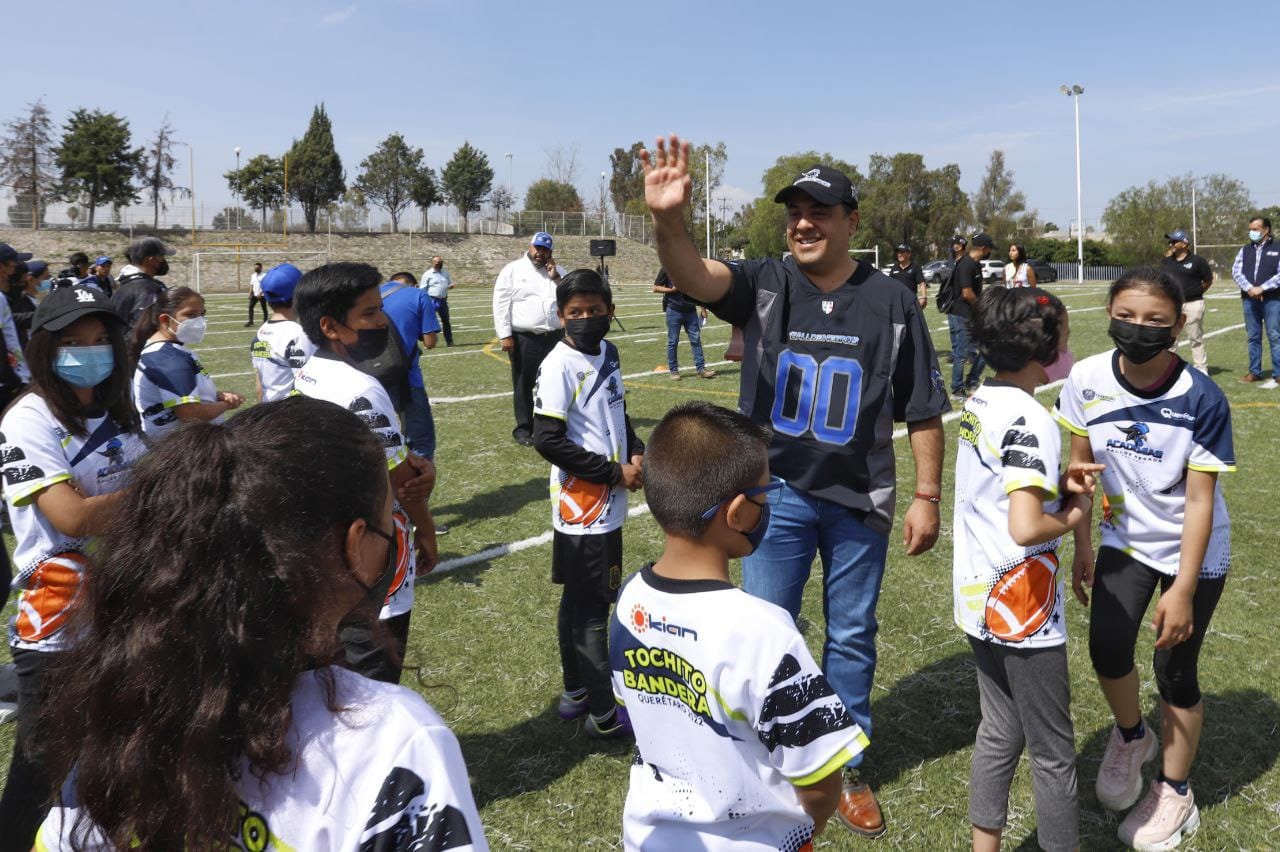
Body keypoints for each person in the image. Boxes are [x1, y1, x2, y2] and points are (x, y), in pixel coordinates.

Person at [642, 136, 949, 838]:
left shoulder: (894, 302)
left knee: (851, 634)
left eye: (820, 211)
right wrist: (667, 221)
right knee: (762, 631)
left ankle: (844, 765)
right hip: (771, 496)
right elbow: (694, 275)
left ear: (852, 221)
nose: (804, 223)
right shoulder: (767, 282)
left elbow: (923, 407)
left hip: (857, 497)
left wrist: (928, 496)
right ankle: (764, 757)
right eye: (795, 213)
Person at [33, 396, 489, 851]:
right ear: (355, 545)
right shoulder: (393, 740)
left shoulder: (124, 703)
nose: (397, 530)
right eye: (390, 515)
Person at [611, 401, 867, 850]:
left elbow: (632, 705)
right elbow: (821, 779)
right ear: (736, 514)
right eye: (764, 496)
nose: (767, 506)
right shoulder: (764, 632)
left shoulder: (628, 599)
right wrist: (810, 823)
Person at [1057, 268, 1234, 851]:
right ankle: (1133, 736)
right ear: (1109, 312)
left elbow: (1201, 501)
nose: (1139, 329)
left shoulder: (1202, 397)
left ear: (1179, 326)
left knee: (1174, 671)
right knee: (1107, 649)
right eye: (1127, 316)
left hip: (1193, 548)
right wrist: (1082, 546)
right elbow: (1081, 469)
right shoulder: (1084, 377)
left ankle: (1175, 792)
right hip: (1125, 540)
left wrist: (1182, 589)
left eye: (1156, 321)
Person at [0, 285, 146, 847]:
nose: (90, 351)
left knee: (111, 749)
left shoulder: (113, 407)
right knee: (40, 768)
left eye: (99, 340)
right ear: (44, 349)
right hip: (57, 618)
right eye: (72, 342)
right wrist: (164, 487)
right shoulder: (29, 418)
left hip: (124, 603)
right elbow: (73, 515)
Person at [956, 288, 1097, 852]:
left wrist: (1053, 488)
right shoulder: (1033, 418)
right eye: (1061, 331)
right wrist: (1073, 513)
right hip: (1024, 610)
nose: (1067, 341)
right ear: (1042, 344)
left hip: (977, 599)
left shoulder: (979, 401)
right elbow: (1024, 526)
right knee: (1054, 752)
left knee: (999, 729)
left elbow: (999, 490)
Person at [295, 262, 438, 684]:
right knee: (371, 683)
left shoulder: (308, 373)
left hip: (324, 553)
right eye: (370, 313)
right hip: (371, 560)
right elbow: (402, 484)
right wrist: (425, 534)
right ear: (331, 326)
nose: (383, 322)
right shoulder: (360, 389)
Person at [532, 268, 644, 739]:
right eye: (575, 312)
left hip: (608, 498)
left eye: (594, 311)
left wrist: (635, 448)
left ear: (609, 312)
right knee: (595, 607)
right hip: (587, 507)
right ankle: (603, 713)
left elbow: (616, 411)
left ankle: (576, 690)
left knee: (577, 599)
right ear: (560, 317)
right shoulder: (558, 364)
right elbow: (548, 439)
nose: (585, 319)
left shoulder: (609, 352)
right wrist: (613, 472)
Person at [132, 287, 244, 438]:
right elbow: (191, 415)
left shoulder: (164, 350)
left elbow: (174, 394)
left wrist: (215, 396)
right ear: (165, 320)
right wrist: (228, 404)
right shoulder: (170, 359)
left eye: (202, 314)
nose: (199, 321)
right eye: (190, 315)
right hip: (182, 449)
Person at [493, 232, 566, 446]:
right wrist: (505, 335)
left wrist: (556, 277)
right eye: (537, 248)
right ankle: (524, 429)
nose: (540, 253)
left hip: (554, 336)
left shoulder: (558, 271)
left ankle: (553, 425)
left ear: (550, 252)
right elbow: (500, 303)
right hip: (525, 337)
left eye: (545, 250)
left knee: (555, 382)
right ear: (530, 246)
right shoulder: (512, 270)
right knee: (524, 383)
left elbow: (571, 295)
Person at [381, 271, 442, 459]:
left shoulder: (368, 294)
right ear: (414, 284)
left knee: (378, 439)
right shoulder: (418, 295)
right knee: (420, 442)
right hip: (407, 377)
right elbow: (430, 342)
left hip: (370, 376)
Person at [250, 263, 316, 402]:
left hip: (270, 412)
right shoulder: (299, 335)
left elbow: (259, 386)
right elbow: (309, 387)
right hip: (294, 415)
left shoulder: (261, 332)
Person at [941, 233, 992, 399]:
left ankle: (971, 381)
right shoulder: (966, 264)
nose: (990, 251)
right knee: (961, 353)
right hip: (962, 315)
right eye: (990, 248)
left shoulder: (975, 265)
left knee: (985, 348)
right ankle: (957, 388)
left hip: (970, 314)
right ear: (984, 248)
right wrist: (982, 308)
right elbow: (967, 293)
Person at [1231, 215, 1280, 386]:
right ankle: (1254, 372)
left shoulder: (1278, 248)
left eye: (1255, 229)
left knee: (1275, 336)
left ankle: (1279, 373)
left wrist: (1262, 288)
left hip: (1273, 299)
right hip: (1249, 299)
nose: (1252, 232)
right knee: (1253, 336)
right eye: (1250, 229)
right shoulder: (1245, 250)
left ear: (1266, 230)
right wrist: (1250, 289)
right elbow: (1236, 271)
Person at [1160, 230, 1213, 375]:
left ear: (1184, 243)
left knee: (1195, 337)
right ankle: (1168, 367)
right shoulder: (1166, 261)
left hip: (1193, 304)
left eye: (1174, 241)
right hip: (1173, 304)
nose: (1170, 244)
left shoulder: (1197, 261)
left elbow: (1208, 280)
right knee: (1171, 337)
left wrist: (1196, 292)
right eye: (1170, 241)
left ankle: (1201, 367)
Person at [653, 267, 716, 380]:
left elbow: (698, 290)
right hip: (673, 310)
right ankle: (674, 371)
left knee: (696, 339)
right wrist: (671, 290)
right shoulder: (667, 268)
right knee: (673, 341)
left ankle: (701, 369)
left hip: (690, 311)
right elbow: (656, 287)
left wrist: (703, 309)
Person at [112, 236, 174, 332]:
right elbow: (144, 330)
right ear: (152, 260)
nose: (164, 260)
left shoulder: (125, 284)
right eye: (162, 257)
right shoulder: (148, 288)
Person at [0, 243, 33, 386]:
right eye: (13, 266)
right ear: (1, 267)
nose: (14, 272)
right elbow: (7, 341)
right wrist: (18, 379)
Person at [422, 255, 455, 346]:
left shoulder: (445, 273)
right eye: (436, 263)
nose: (438, 264)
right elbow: (422, 289)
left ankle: (449, 341)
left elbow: (449, 283)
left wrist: (451, 285)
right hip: (431, 300)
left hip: (443, 300)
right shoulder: (427, 274)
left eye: (440, 263)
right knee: (429, 321)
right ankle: (428, 342)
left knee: (446, 321)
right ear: (432, 263)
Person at [888, 243, 928, 307]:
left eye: (902, 252)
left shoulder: (915, 267)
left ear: (909, 254)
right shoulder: (894, 268)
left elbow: (922, 283)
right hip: (896, 302)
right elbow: (889, 285)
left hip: (910, 302)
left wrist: (924, 297)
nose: (899, 254)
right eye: (898, 252)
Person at [244, 261, 269, 326]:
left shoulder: (264, 275)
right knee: (250, 307)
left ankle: (265, 321)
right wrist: (250, 294)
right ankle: (250, 321)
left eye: (257, 267)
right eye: (255, 267)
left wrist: (261, 293)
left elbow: (265, 285)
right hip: (254, 295)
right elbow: (251, 285)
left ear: (261, 267)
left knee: (264, 308)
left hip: (262, 295)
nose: (256, 268)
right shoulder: (253, 275)